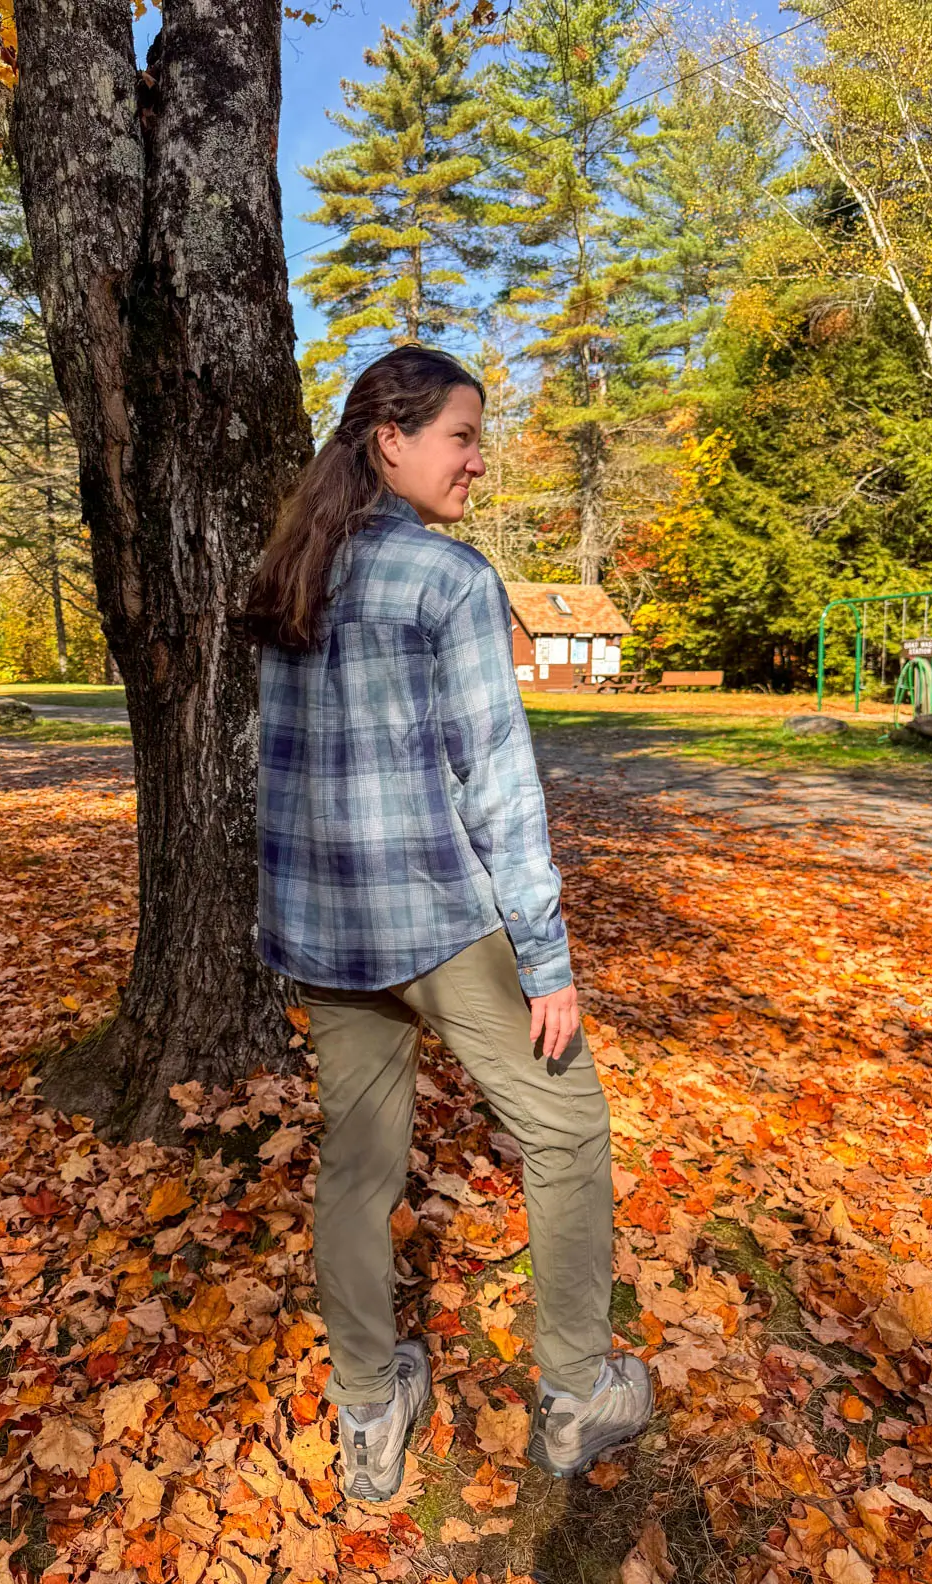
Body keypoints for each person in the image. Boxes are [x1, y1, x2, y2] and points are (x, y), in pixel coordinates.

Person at [242, 346, 652, 1502]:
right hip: (435, 922)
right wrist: (548, 960)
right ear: (392, 440)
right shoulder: (450, 580)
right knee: (568, 1131)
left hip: (323, 929)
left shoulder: (293, 570)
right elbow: (500, 789)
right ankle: (575, 1393)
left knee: (357, 1169)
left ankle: (370, 1416)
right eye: (464, 436)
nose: (479, 458)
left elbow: (272, 770)